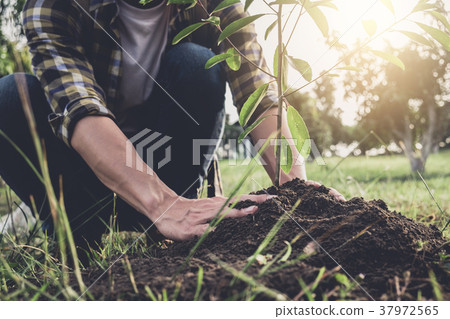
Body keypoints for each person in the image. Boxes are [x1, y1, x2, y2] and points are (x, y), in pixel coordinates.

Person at [0, 0, 344, 256]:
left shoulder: (215, 5)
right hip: (85, 169)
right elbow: (79, 108)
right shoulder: (52, 5)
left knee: (196, 62)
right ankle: (74, 229)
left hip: (168, 166)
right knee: (10, 96)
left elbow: (256, 89)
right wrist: (161, 203)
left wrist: (296, 189)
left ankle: (174, 223)